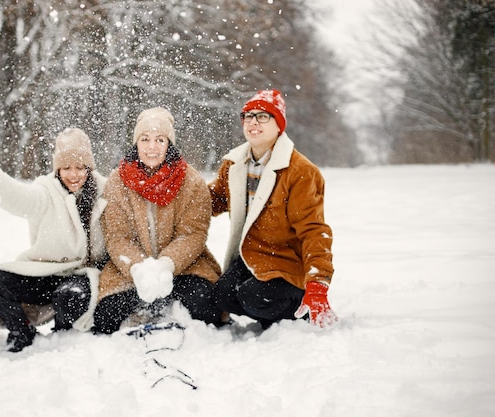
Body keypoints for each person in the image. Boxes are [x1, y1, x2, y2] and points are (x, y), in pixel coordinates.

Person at [0, 128, 108, 352]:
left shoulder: (105, 191)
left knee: (68, 295)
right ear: (57, 169)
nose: (73, 175)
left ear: (89, 167)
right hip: (44, 275)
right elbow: (21, 199)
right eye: (66, 168)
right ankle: (23, 332)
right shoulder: (46, 191)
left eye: (80, 167)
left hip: (83, 275)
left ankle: (65, 338)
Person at [208, 89, 337, 329]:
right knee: (223, 295)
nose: (253, 122)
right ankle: (268, 310)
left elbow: (314, 230)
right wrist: (176, 194)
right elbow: (214, 200)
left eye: (263, 116)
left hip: (286, 262)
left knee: (255, 297)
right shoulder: (234, 164)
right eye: (248, 116)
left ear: (279, 125)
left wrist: (318, 282)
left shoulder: (300, 171)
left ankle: (297, 311)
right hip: (251, 257)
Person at [93, 107, 223, 334]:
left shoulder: (191, 181)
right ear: (136, 143)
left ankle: (168, 306)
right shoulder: (116, 182)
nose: (152, 147)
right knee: (106, 316)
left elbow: (193, 234)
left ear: (169, 144)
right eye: (145, 139)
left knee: (207, 307)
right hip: (130, 271)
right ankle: (148, 304)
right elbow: (117, 237)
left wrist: (166, 265)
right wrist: (138, 268)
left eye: (159, 140)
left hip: (184, 268)